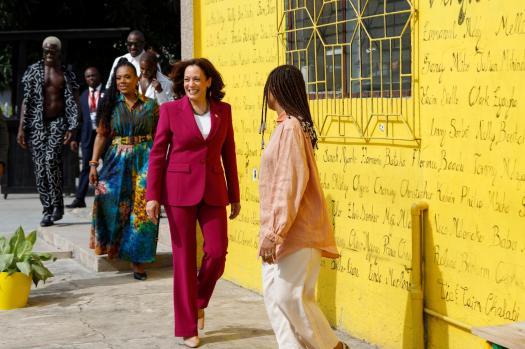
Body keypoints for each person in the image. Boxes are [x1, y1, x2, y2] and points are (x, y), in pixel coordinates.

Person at [145, 58, 241, 348]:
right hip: (178, 192)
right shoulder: (170, 111)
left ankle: (198, 299)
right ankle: (187, 326)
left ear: (209, 81)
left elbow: (229, 154)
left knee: (217, 252)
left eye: (196, 79)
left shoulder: (224, 111)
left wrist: (234, 195)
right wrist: (152, 196)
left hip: (213, 190)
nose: (191, 84)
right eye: (187, 80)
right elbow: (158, 154)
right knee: (184, 260)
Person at [258, 65, 348, 349]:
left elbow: (288, 182)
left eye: (268, 87)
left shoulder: (292, 128)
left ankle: (332, 346)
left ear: (276, 89)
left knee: (289, 297)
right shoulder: (285, 127)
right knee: (275, 300)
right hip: (283, 230)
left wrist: (274, 232)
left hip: (296, 231)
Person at [89, 58, 159, 281]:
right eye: (118, 78)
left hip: (145, 160)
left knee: (142, 210)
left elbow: (160, 137)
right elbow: (101, 135)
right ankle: (113, 245)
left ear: (137, 78)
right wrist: (93, 163)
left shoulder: (150, 105)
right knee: (109, 199)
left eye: (127, 77)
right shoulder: (110, 104)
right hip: (115, 160)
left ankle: (137, 261)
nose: (122, 81)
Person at [17, 36, 79, 227]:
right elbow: (26, 101)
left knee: (51, 160)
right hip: (37, 124)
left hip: (58, 122)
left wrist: (73, 126)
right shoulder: (33, 71)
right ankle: (47, 209)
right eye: (45, 51)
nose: (48, 54)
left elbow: (74, 100)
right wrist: (21, 128)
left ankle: (57, 205)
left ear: (58, 52)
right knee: (40, 167)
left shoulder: (66, 75)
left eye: (52, 51)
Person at [66, 67, 105, 208]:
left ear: (99, 76)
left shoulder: (108, 93)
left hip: (105, 135)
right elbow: (80, 119)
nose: (91, 78)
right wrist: (75, 138)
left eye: (93, 75)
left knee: (109, 164)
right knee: (86, 168)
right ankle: (79, 198)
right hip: (88, 135)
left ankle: (108, 195)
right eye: (88, 76)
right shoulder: (82, 96)